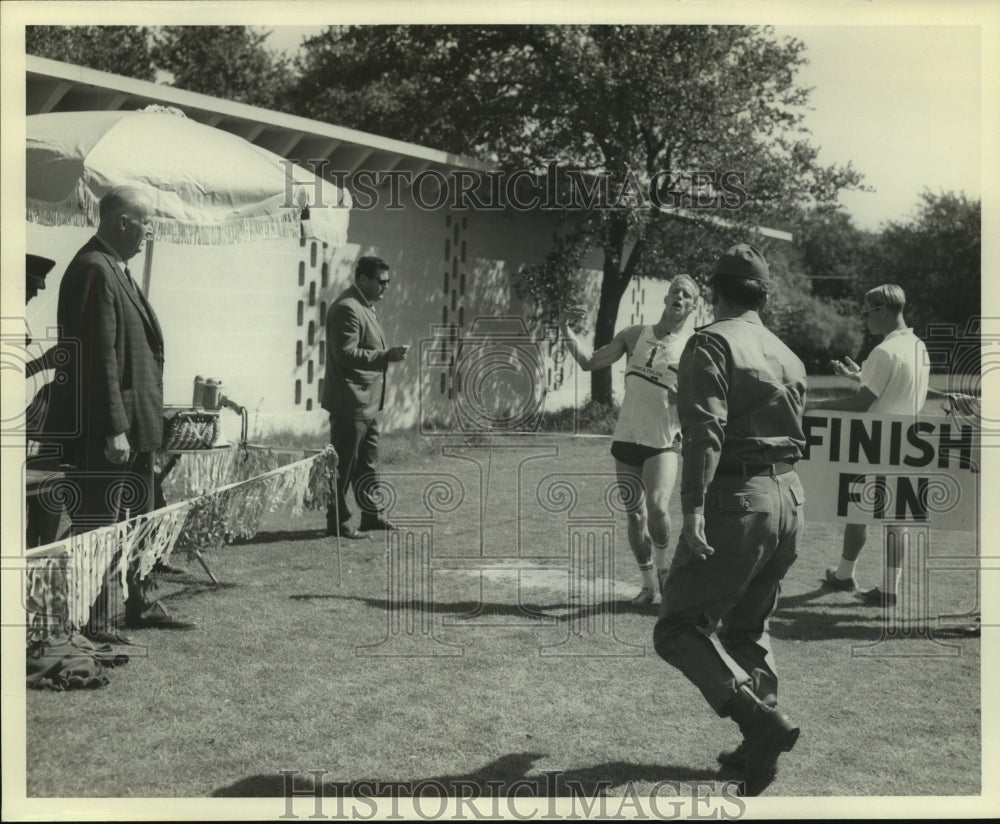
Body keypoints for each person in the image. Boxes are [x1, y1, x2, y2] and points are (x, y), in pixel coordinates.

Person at [653, 244, 806, 797]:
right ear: (763, 295)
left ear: (715, 291)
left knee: (676, 629)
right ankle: (755, 750)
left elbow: (705, 433)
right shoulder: (787, 352)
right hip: (789, 497)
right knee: (748, 626)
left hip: (739, 499)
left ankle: (759, 723)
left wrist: (691, 507)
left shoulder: (710, 341)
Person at [46, 185, 194, 639]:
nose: (150, 230)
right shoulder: (95, 268)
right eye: (146, 221)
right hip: (109, 433)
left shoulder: (116, 268)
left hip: (137, 429)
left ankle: (140, 601)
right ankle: (99, 619)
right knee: (102, 525)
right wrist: (114, 429)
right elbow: (98, 358)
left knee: (139, 520)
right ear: (122, 222)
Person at [559, 275, 699, 605]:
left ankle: (665, 571)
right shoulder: (635, 335)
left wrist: (688, 398)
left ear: (692, 307)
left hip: (663, 441)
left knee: (657, 508)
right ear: (666, 299)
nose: (679, 297)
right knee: (635, 516)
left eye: (687, 295)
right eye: (675, 291)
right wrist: (565, 330)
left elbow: (709, 397)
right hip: (626, 439)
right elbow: (590, 362)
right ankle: (649, 585)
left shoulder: (694, 348)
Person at [808, 284, 929, 607]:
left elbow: (863, 403)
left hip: (873, 440)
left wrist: (815, 406)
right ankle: (868, 581)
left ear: (883, 310)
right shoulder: (917, 346)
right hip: (905, 441)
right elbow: (891, 389)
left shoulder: (884, 351)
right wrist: (859, 376)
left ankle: (853, 576)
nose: (864, 319)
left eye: (867, 312)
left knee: (858, 507)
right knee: (890, 517)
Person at [321, 256, 409, 539]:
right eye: (381, 281)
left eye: (388, 282)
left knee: (366, 462)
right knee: (343, 466)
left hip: (367, 403)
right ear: (362, 280)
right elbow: (345, 355)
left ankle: (370, 516)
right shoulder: (348, 308)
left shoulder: (364, 306)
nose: (386, 287)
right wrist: (386, 356)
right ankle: (338, 522)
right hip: (350, 402)